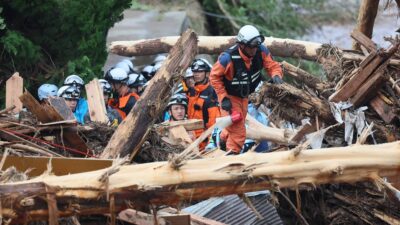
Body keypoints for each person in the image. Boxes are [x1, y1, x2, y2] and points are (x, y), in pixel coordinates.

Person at [209, 25, 283, 154]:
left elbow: (272, 65)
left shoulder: (261, 51)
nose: (254, 49)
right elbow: (214, 77)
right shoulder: (227, 58)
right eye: (251, 46)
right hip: (230, 98)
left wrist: (276, 76)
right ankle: (232, 159)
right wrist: (223, 97)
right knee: (239, 132)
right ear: (242, 45)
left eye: (256, 46)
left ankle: (222, 137)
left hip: (245, 96)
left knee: (237, 123)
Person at [187, 58, 220, 149]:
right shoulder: (191, 91)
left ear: (207, 73)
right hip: (190, 139)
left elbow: (213, 122)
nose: (196, 74)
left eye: (200, 71)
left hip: (204, 141)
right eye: (194, 71)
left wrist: (211, 142)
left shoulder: (212, 93)